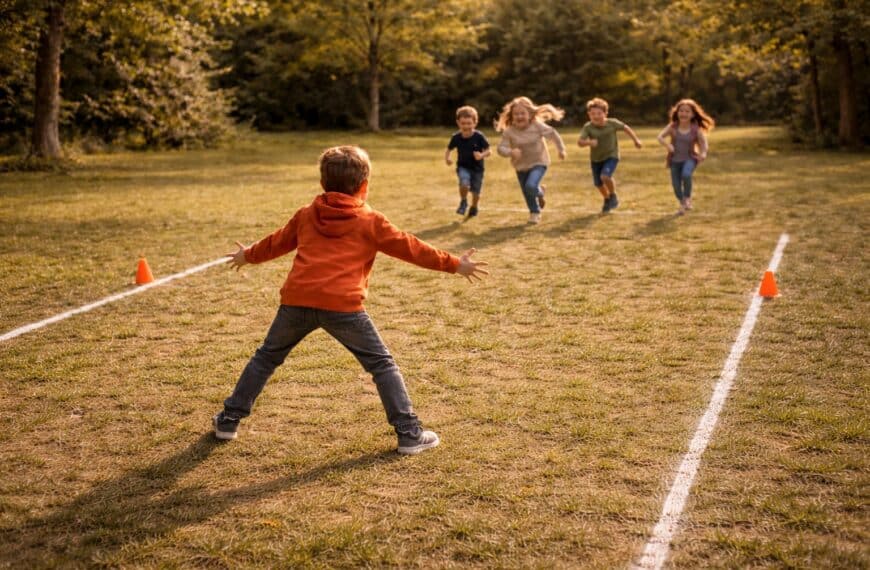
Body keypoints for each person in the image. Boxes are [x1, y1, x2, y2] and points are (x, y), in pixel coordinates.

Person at [214, 145, 489, 455]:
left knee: (266, 358)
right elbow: (413, 248)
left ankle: (228, 420)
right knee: (382, 365)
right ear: (364, 185)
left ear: (322, 184)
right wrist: (455, 263)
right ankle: (409, 434)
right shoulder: (370, 220)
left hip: (297, 300)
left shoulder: (307, 214)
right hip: (343, 307)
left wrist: (247, 256)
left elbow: (274, 243)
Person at [495, 96, 567, 224]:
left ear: (530, 114)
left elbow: (553, 134)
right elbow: (501, 148)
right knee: (527, 192)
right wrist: (510, 152)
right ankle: (537, 200)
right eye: (516, 114)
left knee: (530, 186)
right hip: (521, 166)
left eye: (523, 113)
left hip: (539, 162)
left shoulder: (537, 126)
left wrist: (561, 149)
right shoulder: (509, 132)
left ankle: (535, 212)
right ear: (512, 116)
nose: (519, 116)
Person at [577, 97, 643, 213]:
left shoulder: (612, 123)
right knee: (598, 184)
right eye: (593, 114)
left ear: (605, 113)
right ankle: (607, 199)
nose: (596, 116)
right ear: (589, 114)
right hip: (596, 159)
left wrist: (636, 140)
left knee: (605, 176)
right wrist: (589, 142)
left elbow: (625, 128)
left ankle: (613, 195)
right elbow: (580, 142)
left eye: (599, 113)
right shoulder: (588, 127)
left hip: (611, 155)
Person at [656, 98, 714, 214]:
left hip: (690, 158)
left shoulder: (695, 129)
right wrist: (668, 146)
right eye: (681, 111)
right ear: (677, 113)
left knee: (686, 174)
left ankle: (687, 197)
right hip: (674, 160)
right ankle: (683, 203)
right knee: (676, 185)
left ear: (692, 115)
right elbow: (660, 137)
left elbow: (704, 143)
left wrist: (703, 153)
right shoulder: (673, 126)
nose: (684, 113)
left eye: (687, 111)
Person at [445, 105, 491, 218]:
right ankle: (463, 201)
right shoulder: (456, 137)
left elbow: (489, 150)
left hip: (477, 169)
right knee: (464, 183)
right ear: (458, 123)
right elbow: (449, 149)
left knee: (476, 192)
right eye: (463, 123)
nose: (466, 126)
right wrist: (447, 158)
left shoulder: (479, 136)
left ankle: (474, 206)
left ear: (475, 123)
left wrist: (481, 155)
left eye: (469, 123)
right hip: (463, 167)